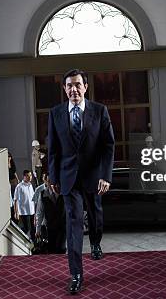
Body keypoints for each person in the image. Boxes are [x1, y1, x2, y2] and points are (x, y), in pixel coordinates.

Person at [48, 68, 115, 294]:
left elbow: (108, 145)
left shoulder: (99, 111)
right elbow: (53, 150)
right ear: (64, 89)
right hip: (68, 178)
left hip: (94, 176)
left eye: (77, 84)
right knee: (73, 223)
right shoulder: (55, 113)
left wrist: (106, 175)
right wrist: (54, 177)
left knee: (95, 215)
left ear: (86, 87)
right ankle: (76, 274)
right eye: (69, 85)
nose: (73, 89)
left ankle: (96, 242)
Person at [35, 172, 66, 254]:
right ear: (45, 181)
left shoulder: (63, 192)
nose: (50, 184)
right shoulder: (42, 194)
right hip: (49, 227)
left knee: (61, 249)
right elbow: (39, 212)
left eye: (52, 181)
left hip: (62, 227)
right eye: (48, 181)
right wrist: (38, 230)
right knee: (51, 250)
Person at [13, 170, 36, 239]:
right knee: (26, 229)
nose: (30, 177)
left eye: (30, 175)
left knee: (33, 229)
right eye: (28, 176)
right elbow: (15, 200)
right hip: (23, 212)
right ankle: (19, 239)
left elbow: (33, 199)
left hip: (31, 211)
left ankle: (33, 244)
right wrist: (16, 212)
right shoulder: (19, 186)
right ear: (24, 176)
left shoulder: (31, 185)